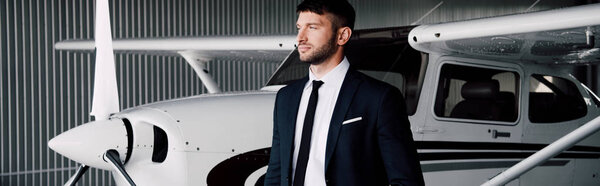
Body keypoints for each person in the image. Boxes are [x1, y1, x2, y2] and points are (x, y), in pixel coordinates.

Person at [264, 0, 424, 185]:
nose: (300, 37)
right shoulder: (285, 98)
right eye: (299, 27)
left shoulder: (379, 98)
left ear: (342, 35)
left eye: (312, 27)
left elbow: (407, 181)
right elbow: (275, 173)